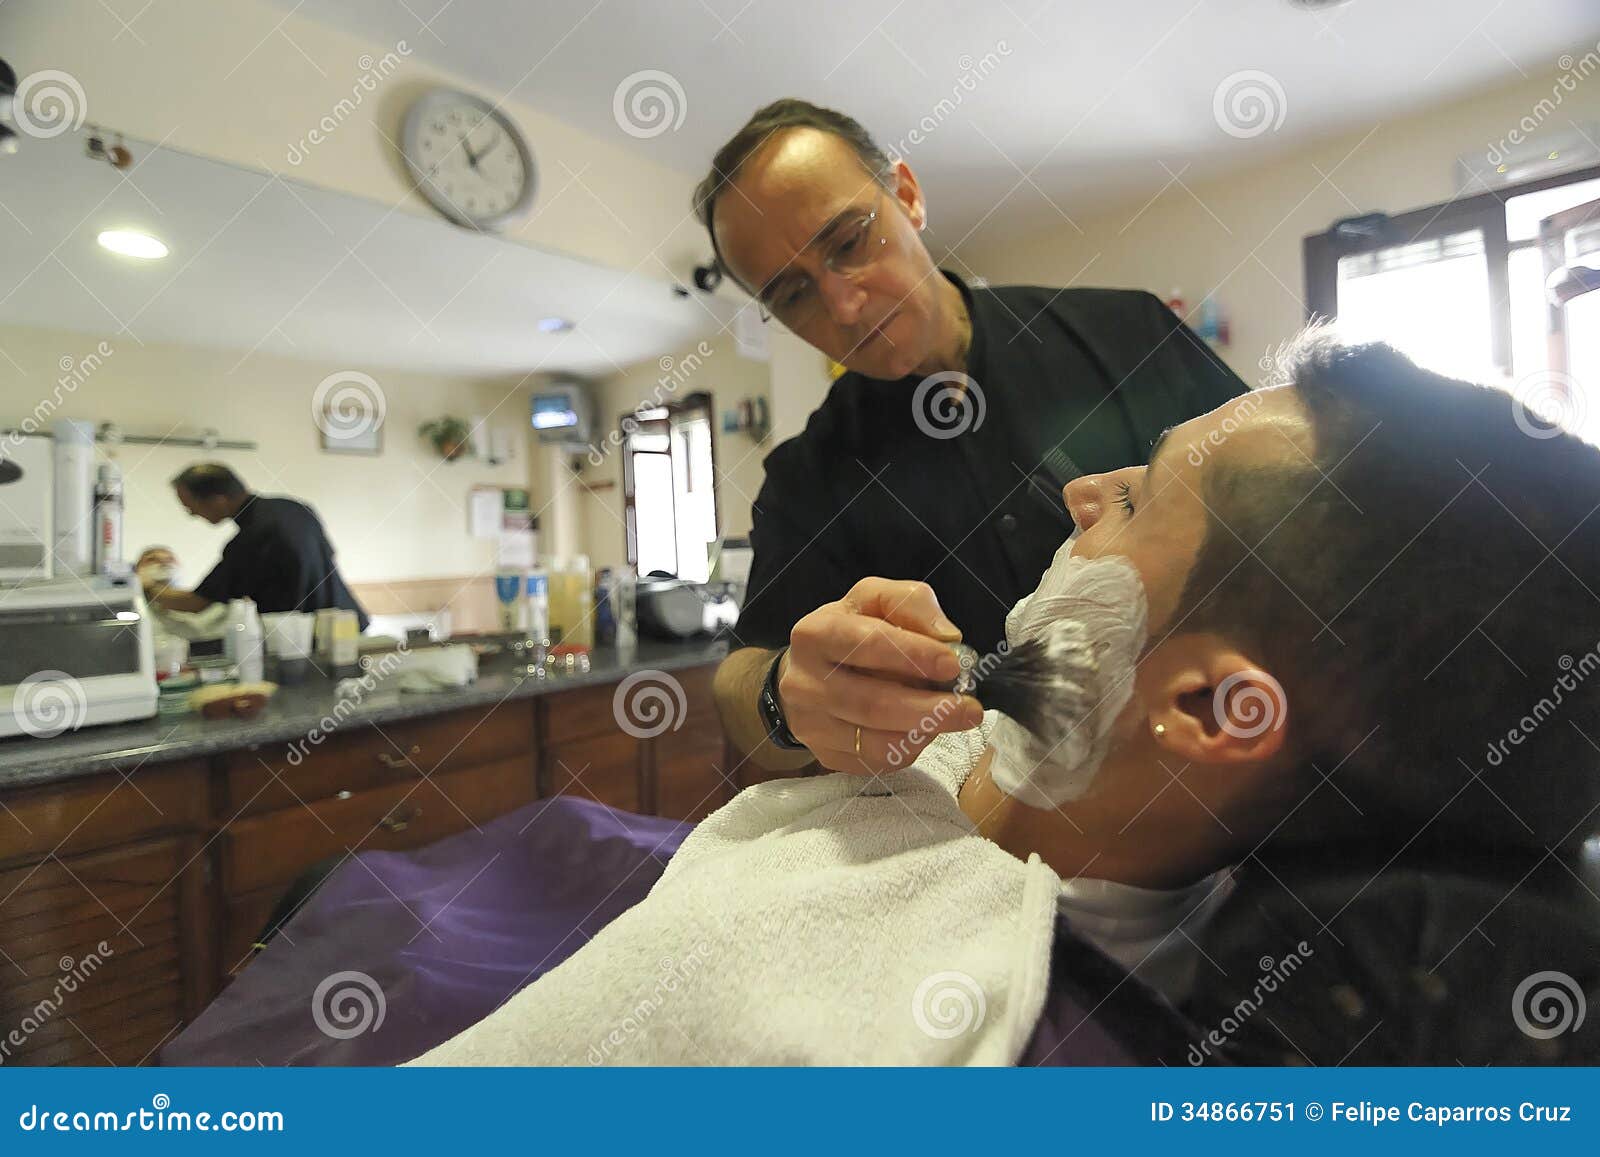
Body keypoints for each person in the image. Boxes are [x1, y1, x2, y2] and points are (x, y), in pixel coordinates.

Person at [406, 333, 1600, 1066]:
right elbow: (762, 703)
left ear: (1204, 711)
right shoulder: (953, 743)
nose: (1082, 488)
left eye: (1135, 501)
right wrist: (790, 701)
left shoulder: (903, 1036)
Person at [694, 99, 1246, 777]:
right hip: (1002, 827)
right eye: (793, 294)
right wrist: (782, 696)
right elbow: (736, 682)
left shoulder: (1127, 335)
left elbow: (1289, 487)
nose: (843, 305)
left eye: (848, 243)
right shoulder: (808, 482)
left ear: (908, 194)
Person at [145, 463, 369, 630]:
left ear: (218, 499)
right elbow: (330, 555)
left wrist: (148, 588)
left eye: (191, 507)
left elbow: (196, 603)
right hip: (348, 625)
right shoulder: (295, 508)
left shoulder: (251, 538)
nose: (192, 514)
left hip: (304, 641)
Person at [133, 545, 229, 641]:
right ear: (137, 569)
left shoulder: (200, 602)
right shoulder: (132, 605)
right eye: (152, 560)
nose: (163, 563)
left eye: (170, 559)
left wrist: (152, 586)